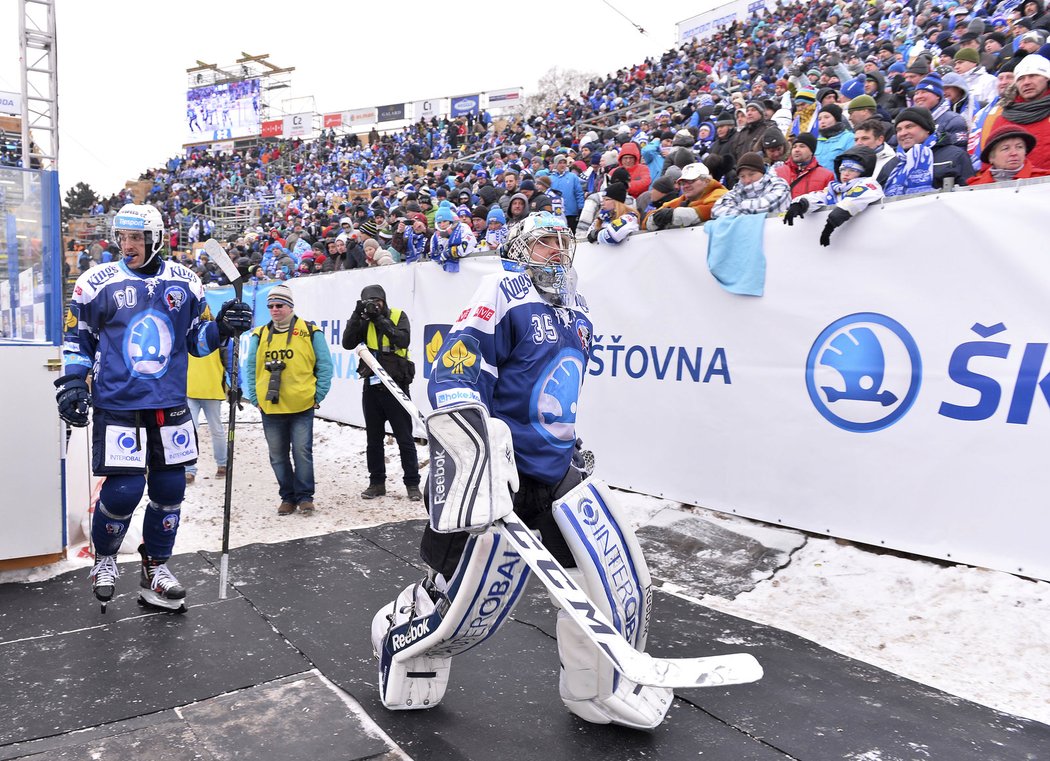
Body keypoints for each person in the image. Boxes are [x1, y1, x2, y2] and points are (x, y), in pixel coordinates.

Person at [371, 212, 674, 729]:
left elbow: (559, 389)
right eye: (542, 243)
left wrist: (570, 442)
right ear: (518, 250)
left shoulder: (579, 309)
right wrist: (476, 446)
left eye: (562, 240)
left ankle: (592, 690)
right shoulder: (503, 290)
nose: (556, 249)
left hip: (555, 472)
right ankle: (398, 631)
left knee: (589, 583)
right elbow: (457, 368)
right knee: (453, 590)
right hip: (499, 473)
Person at [55, 203, 252, 612]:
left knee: (170, 488)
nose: (127, 245)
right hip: (119, 403)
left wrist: (223, 327)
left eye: (135, 238)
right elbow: (80, 340)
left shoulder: (186, 282)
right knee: (125, 490)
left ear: (156, 238)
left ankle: (155, 569)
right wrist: (75, 381)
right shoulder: (97, 282)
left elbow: (197, 343)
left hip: (168, 403)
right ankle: (106, 559)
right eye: (122, 237)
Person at [244, 284, 333, 516]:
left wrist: (318, 395)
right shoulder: (260, 334)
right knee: (277, 455)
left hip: (302, 405)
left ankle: (305, 497)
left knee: (302, 452)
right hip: (271, 407)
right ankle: (287, 497)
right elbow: (250, 368)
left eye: (279, 305)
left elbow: (324, 366)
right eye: (271, 306)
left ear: (290, 306)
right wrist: (255, 398)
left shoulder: (310, 332)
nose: (274, 310)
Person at [341, 284, 421, 501]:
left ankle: (412, 484)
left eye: (378, 301)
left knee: (404, 438)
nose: (374, 305)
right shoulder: (363, 319)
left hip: (396, 384)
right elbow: (347, 343)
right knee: (373, 439)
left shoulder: (397, 315)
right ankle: (377, 483)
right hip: (372, 386)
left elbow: (402, 339)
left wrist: (379, 319)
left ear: (385, 301)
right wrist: (357, 315)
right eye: (370, 301)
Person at [782, 145, 884, 246]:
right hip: (845, 242)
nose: (846, 174)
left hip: (868, 238)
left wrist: (830, 225)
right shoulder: (836, 188)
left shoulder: (869, 185)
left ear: (863, 172)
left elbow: (854, 201)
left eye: (852, 170)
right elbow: (819, 197)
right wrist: (800, 204)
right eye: (843, 169)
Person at [185, 305, 228, 485]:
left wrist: (236, 384)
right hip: (190, 390)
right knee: (189, 430)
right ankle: (189, 469)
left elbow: (229, 360)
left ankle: (223, 463)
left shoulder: (216, 334)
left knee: (216, 429)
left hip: (211, 390)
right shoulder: (185, 333)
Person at [643, 162, 728, 230]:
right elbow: (647, 220)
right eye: (682, 183)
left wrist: (674, 215)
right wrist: (655, 219)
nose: (685, 186)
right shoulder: (682, 200)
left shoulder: (722, 195)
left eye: (691, 181)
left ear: (706, 181)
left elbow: (712, 210)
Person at [710, 152, 792, 217]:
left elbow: (768, 206)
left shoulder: (778, 184)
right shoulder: (738, 189)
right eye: (742, 176)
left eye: (751, 174)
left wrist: (737, 207)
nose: (747, 180)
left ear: (762, 172)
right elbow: (716, 210)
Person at [967, 124, 1050, 185]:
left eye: (1019, 147)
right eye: (1005, 148)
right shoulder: (975, 187)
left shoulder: (1044, 180)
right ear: (991, 157)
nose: (1014, 153)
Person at [774, 132, 836, 198]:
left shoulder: (826, 176)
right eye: (794, 147)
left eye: (802, 146)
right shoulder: (777, 172)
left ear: (811, 151)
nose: (797, 150)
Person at [815, 104, 855, 171]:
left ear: (836, 119)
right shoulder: (817, 141)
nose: (822, 121)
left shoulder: (849, 138)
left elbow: (851, 164)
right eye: (819, 119)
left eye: (826, 117)